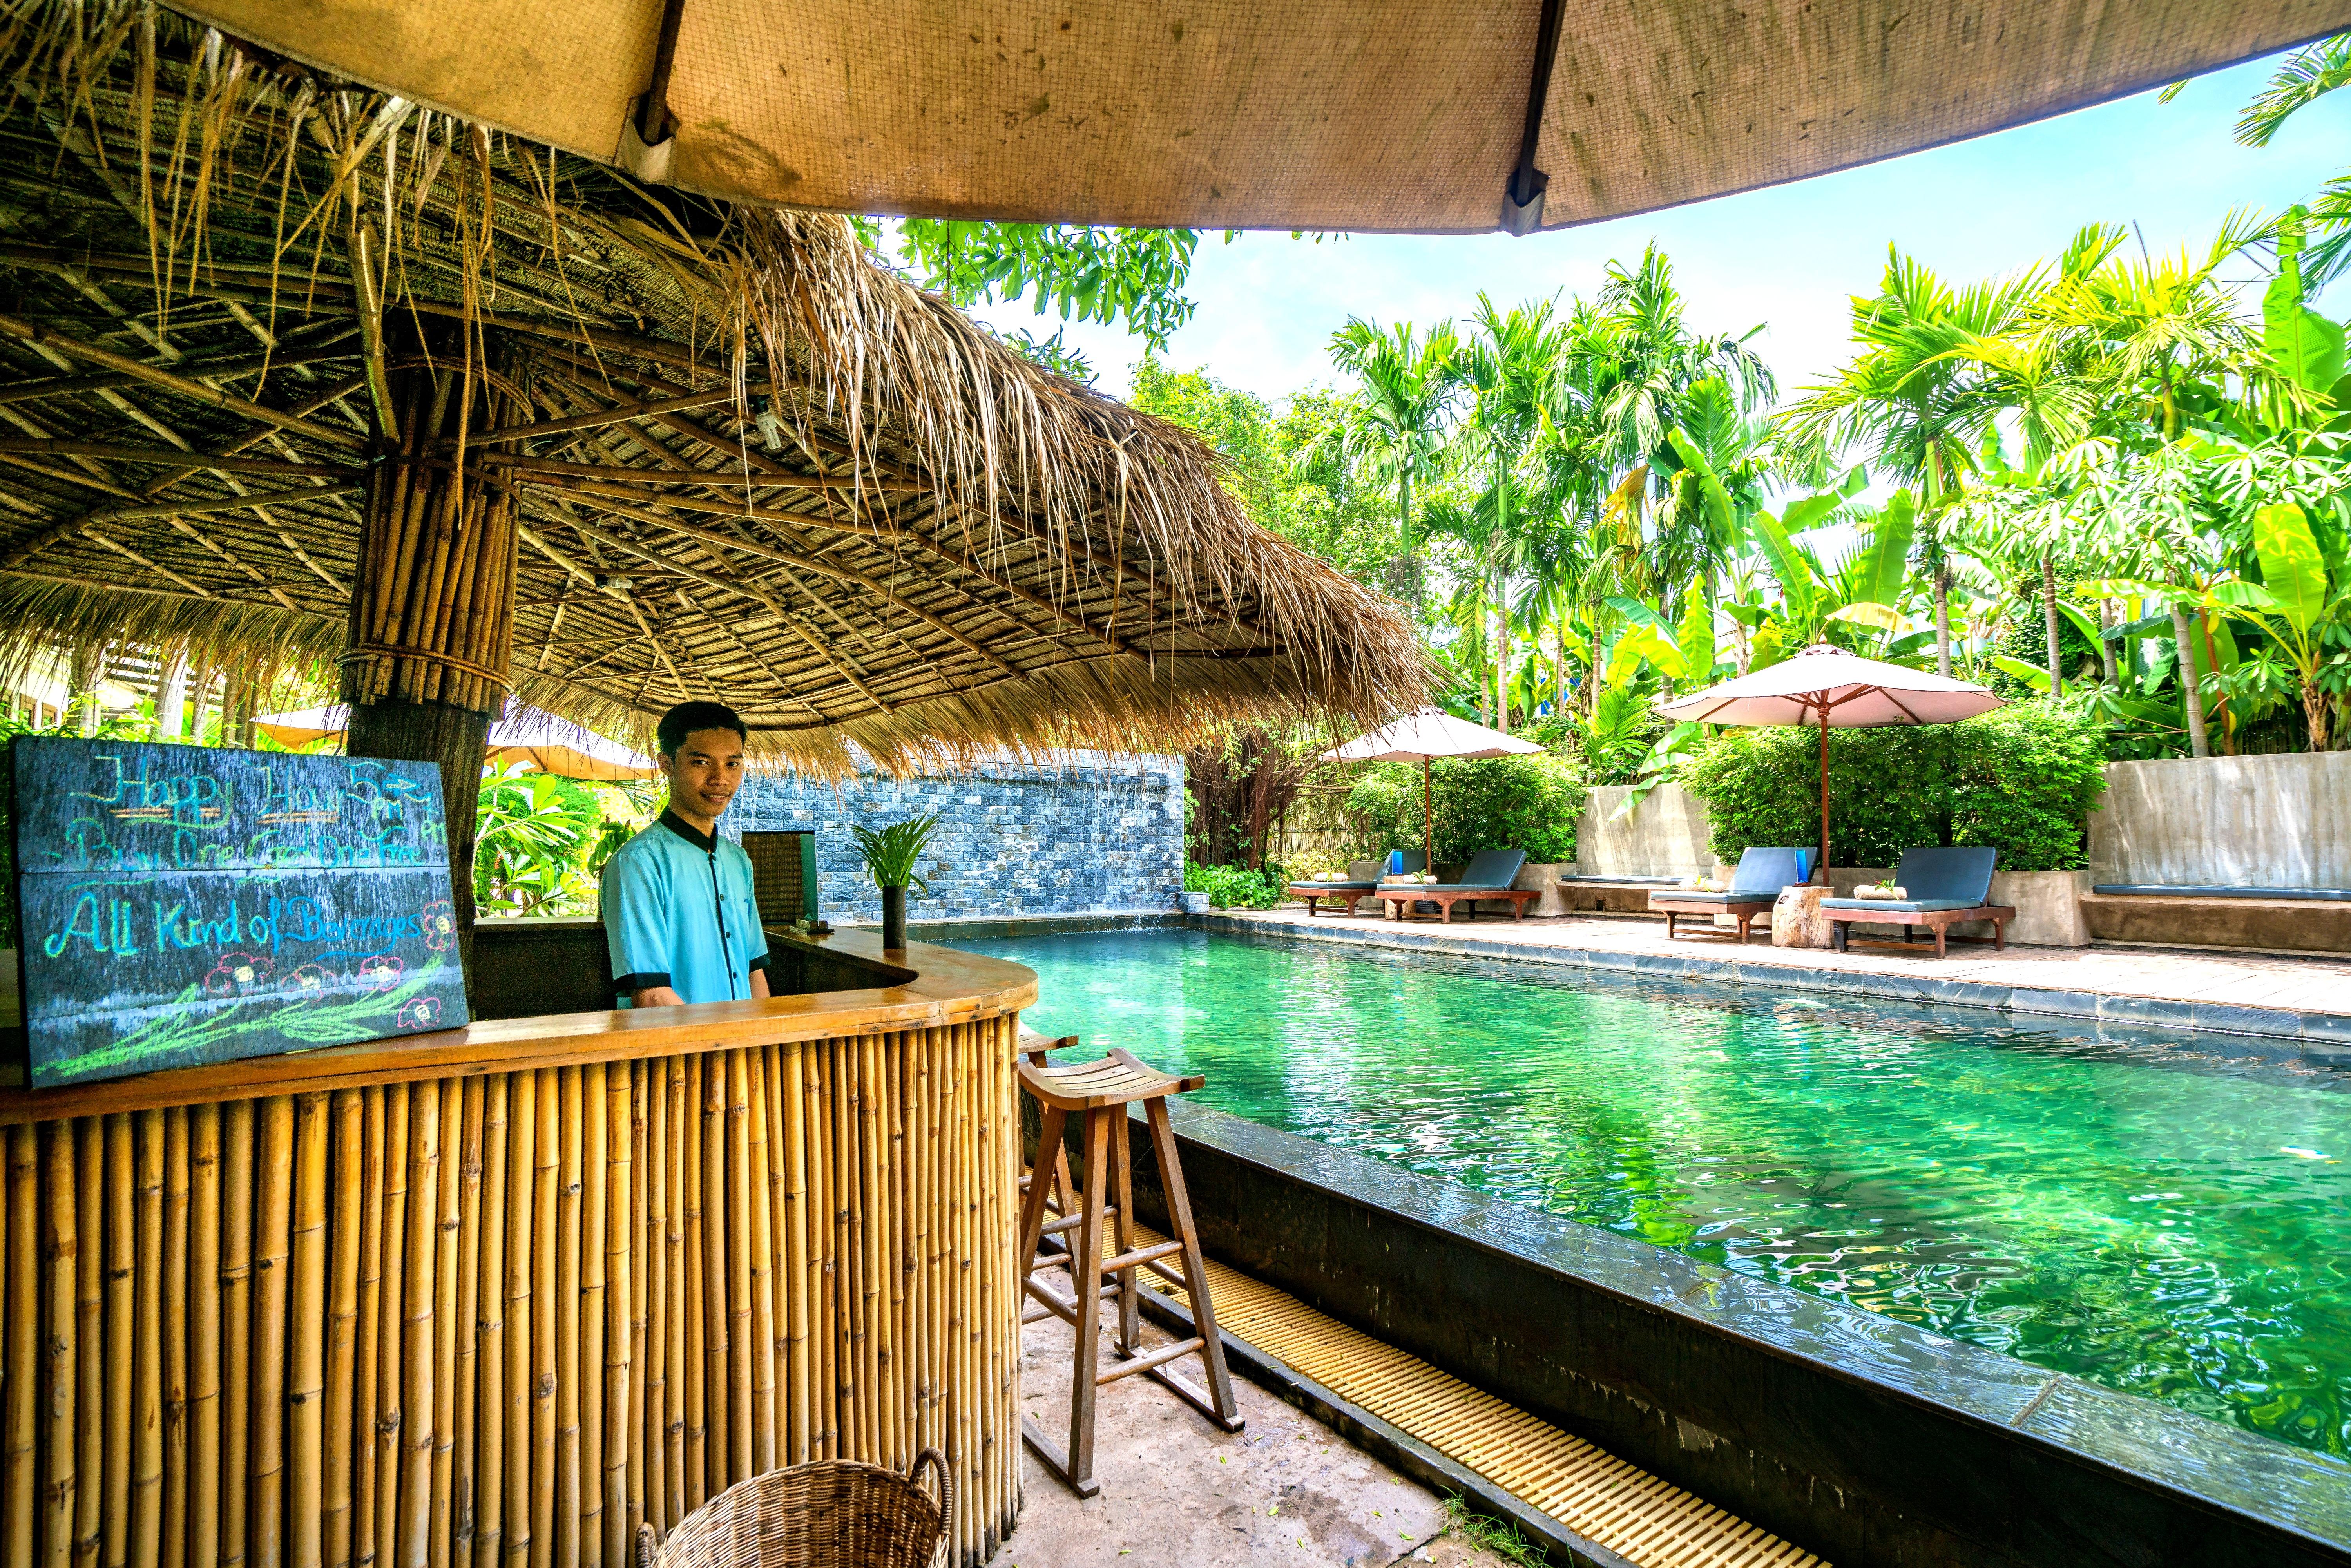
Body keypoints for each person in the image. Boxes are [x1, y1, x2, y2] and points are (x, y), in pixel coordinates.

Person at [600, 701, 771, 1008]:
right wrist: (719, 1050)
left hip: (744, 1049)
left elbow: (753, 971)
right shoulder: (638, 863)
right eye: (702, 762)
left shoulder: (739, 862)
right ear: (666, 764)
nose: (721, 778)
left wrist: (759, 1044)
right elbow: (651, 995)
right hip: (679, 1052)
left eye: (733, 764)